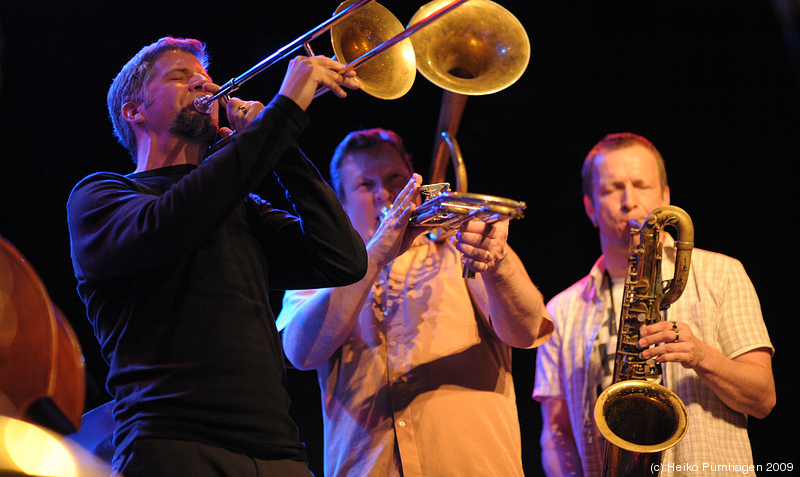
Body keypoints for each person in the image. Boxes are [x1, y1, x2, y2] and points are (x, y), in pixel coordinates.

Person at [66, 36, 369, 477]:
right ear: (134, 111)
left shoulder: (240, 206)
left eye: (205, 78)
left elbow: (342, 259)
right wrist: (282, 113)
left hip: (280, 452)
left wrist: (284, 150)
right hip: (172, 445)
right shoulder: (102, 195)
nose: (204, 86)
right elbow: (172, 224)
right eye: (179, 77)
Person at [276, 128, 554, 476]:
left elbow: (527, 331)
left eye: (395, 178)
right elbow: (300, 353)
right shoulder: (322, 269)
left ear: (414, 185)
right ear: (342, 203)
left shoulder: (460, 245)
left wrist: (498, 264)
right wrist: (373, 258)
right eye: (366, 185)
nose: (384, 194)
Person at [533, 132, 776, 476]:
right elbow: (556, 433)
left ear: (665, 196)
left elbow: (763, 398)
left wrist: (700, 355)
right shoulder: (560, 311)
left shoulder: (723, 273)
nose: (628, 201)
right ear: (590, 206)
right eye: (612, 188)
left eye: (641, 185)